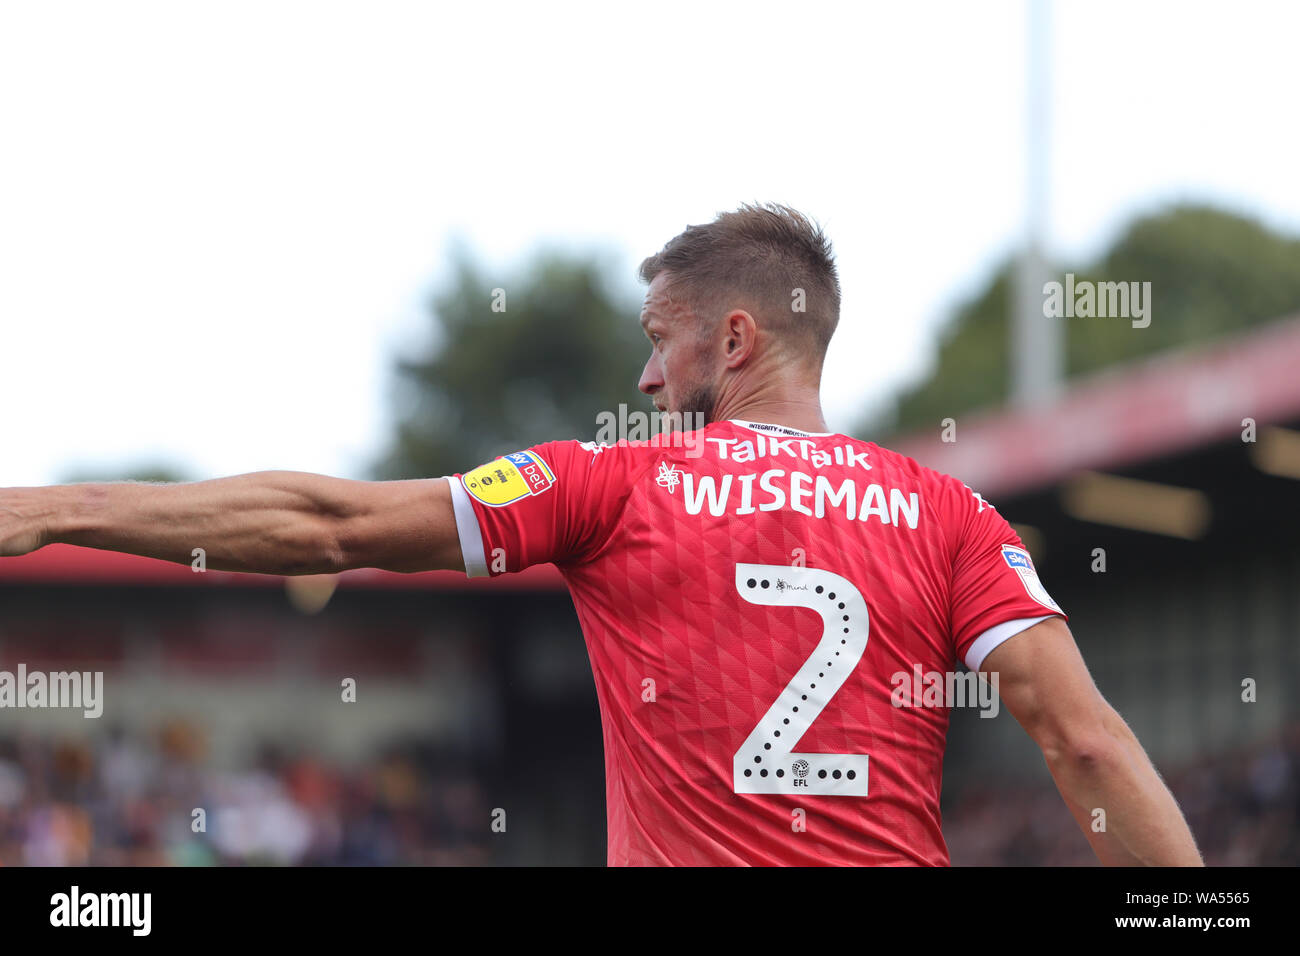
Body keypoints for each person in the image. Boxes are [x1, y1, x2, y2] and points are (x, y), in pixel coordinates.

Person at [0, 203, 1202, 866]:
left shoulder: (615, 486)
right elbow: (1085, 742)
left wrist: (66, 510)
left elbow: (331, 524)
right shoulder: (952, 515)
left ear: (733, 340)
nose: (643, 369)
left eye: (660, 335)